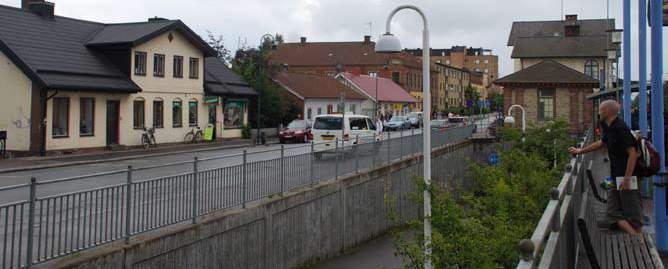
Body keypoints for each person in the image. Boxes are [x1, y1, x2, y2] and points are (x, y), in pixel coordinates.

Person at [568, 100, 641, 235]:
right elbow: (601, 143)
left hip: (626, 177)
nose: (599, 112)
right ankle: (635, 238)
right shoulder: (609, 127)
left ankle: (638, 243)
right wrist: (580, 151)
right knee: (612, 212)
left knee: (633, 215)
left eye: (601, 110)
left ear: (607, 111)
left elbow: (633, 154)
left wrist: (627, 178)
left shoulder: (621, 128)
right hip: (615, 176)